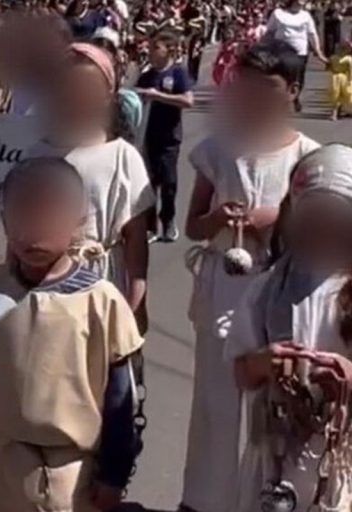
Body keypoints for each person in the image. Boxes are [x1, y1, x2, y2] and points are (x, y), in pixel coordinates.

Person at [0, 156, 144, 512]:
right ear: (5, 221)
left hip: (71, 478)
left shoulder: (100, 302)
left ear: (78, 219)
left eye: (49, 215)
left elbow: (120, 400)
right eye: (23, 215)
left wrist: (114, 477)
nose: (34, 231)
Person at [180, 40, 320, 512]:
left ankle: (264, 499)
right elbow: (193, 226)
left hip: (282, 293)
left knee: (273, 405)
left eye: (269, 87)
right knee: (215, 403)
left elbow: (322, 233)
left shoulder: (308, 156)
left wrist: (276, 219)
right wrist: (218, 219)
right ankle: (205, 501)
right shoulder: (219, 149)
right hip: (223, 287)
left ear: (292, 90)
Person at [224, 143, 352, 512]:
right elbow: (242, 373)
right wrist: (264, 362)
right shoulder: (268, 289)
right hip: (277, 456)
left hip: (341, 458)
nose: (323, 229)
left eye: (336, 219)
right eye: (313, 218)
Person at [27, 42, 154, 332]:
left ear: (107, 94)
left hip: (101, 283)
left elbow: (136, 241)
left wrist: (137, 301)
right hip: (42, 284)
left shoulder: (123, 157)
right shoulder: (36, 154)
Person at [136, 30, 194, 243]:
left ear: (169, 50)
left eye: (155, 48)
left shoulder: (178, 73)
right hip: (147, 136)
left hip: (169, 137)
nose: (150, 52)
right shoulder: (146, 76)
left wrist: (158, 96)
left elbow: (188, 101)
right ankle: (150, 226)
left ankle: (168, 220)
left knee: (168, 182)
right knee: (148, 183)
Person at [264, 0, 328, 112]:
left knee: (298, 78)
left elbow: (312, 34)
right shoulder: (278, 13)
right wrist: (265, 46)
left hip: (300, 52)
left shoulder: (306, 16)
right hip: (282, 51)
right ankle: (282, 99)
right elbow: (270, 31)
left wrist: (318, 51)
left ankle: (295, 97)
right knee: (283, 77)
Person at [328, 39, 352, 120]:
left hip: (337, 78)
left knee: (337, 95)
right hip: (344, 78)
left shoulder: (334, 57)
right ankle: (335, 113)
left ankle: (336, 113)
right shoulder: (348, 58)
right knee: (341, 95)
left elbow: (329, 67)